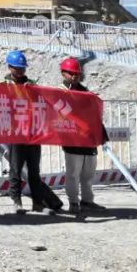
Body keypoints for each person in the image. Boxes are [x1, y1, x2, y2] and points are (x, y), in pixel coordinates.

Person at [5, 50, 63, 215]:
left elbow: (42, 102)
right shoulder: (3, 86)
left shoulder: (31, 83)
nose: (20, 71)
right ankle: (16, 201)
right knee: (15, 169)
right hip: (15, 133)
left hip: (33, 133)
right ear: (10, 67)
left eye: (22, 68)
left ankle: (38, 202)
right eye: (17, 68)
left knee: (34, 171)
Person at [59, 57, 107, 214]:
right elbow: (58, 113)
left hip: (87, 139)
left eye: (76, 73)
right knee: (73, 173)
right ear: (63, 73)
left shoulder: (85, 92)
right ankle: (73, 202)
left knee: (88, 173)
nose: (74, 76)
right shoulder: (59, 92)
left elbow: (93, 114)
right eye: (71, 73)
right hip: (72, 139)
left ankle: (87, 200)